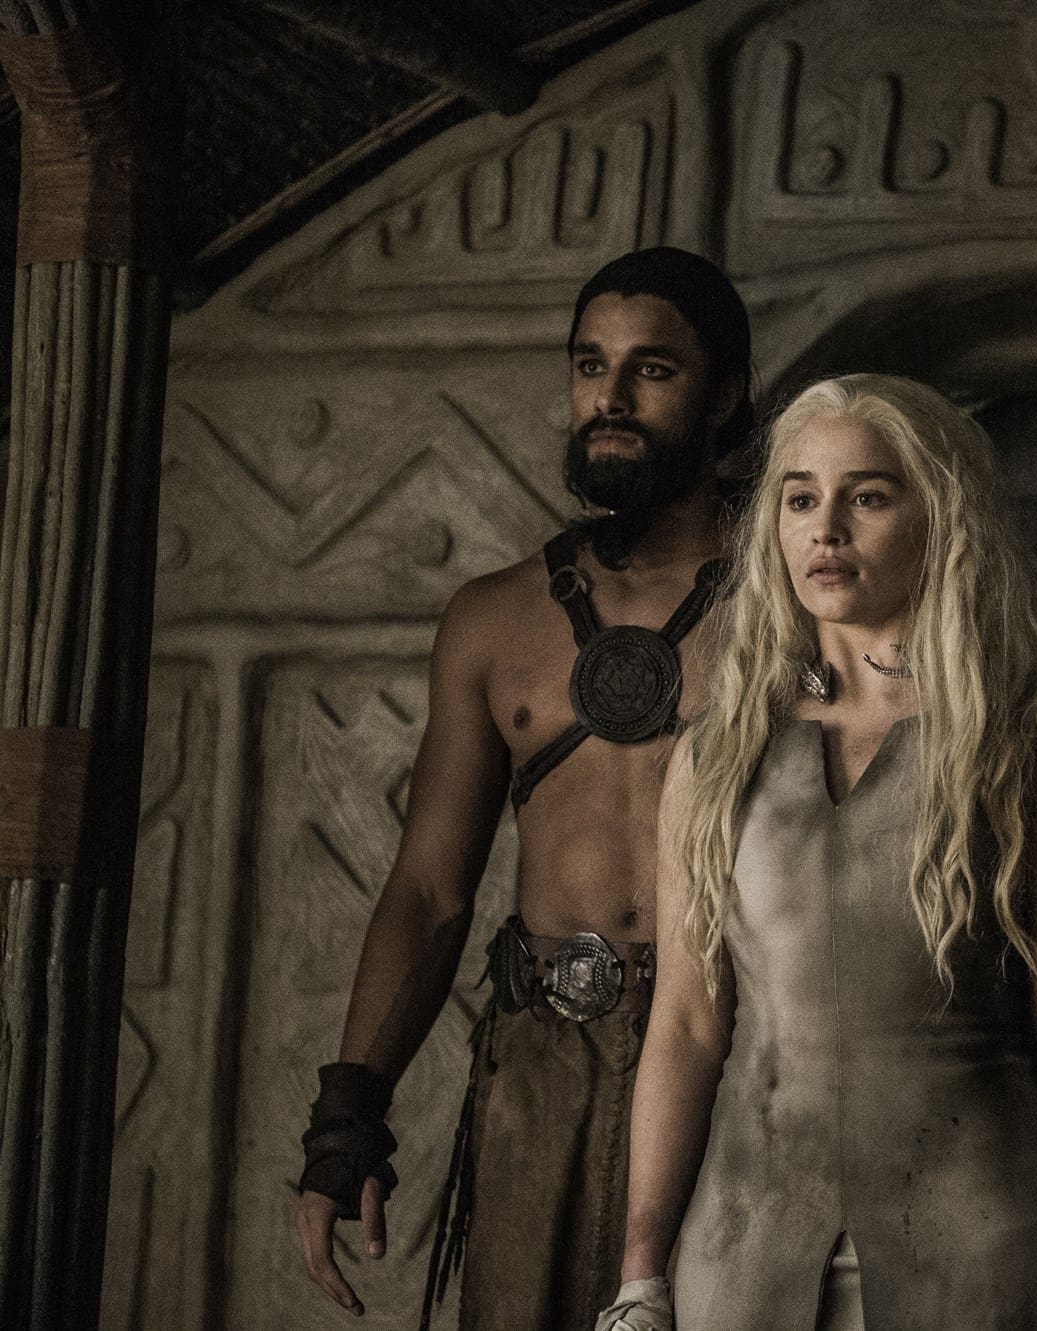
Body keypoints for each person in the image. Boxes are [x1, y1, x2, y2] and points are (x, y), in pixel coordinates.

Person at [594, 374, 1037, 1331]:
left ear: (942, 518)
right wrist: (641, 1276)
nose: (827, 529)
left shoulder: (1030, 742)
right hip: (743, 1240)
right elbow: (684, 1022)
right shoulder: (716, 753)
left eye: (869, 496)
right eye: (800, 498)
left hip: (980, 1238)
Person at [293, 247, 755, 1329]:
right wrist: (346, 1118)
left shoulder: (796, 603)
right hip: (540, 1063)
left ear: (725, 394)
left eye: (652, 370)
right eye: (591, 365)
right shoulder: (493, 618)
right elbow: (428, 888)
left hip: (739, 1057)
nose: (611, 396)